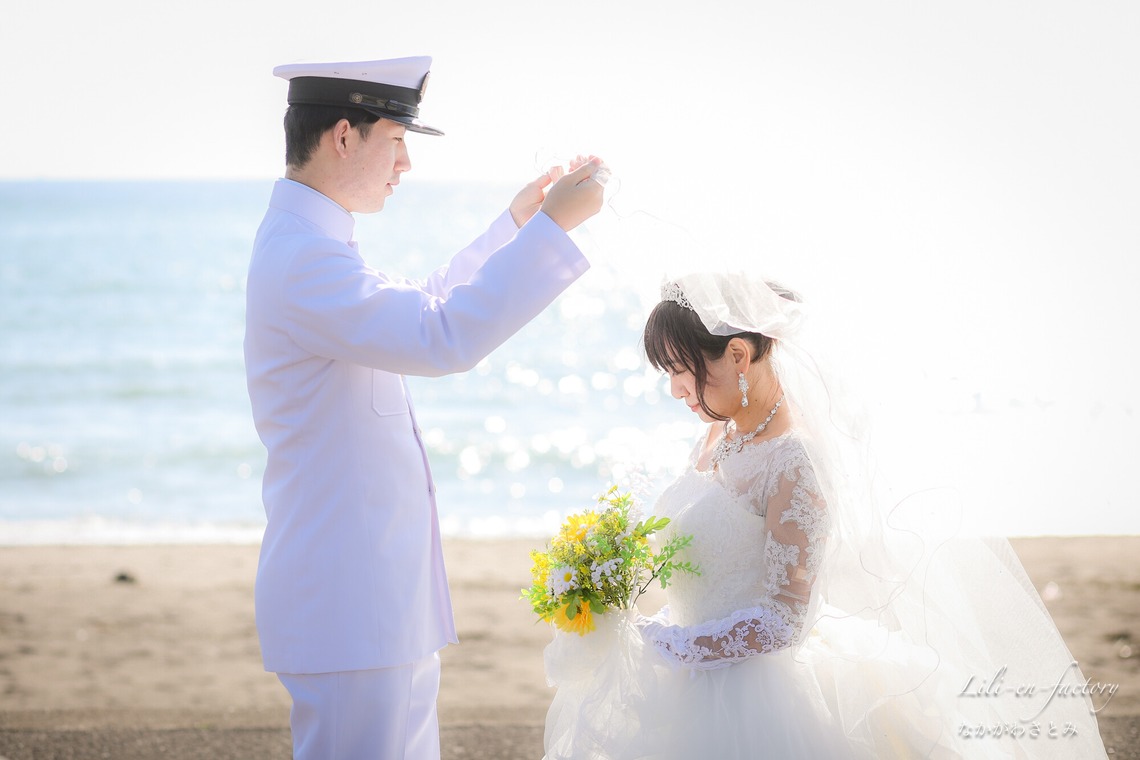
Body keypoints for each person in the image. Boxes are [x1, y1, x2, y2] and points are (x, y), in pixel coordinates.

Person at [541, 272, 1109, 758]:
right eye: (667, 372)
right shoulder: (721, 432)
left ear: (738, 354)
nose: (674, 390)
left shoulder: (794, 461)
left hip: (755, 693)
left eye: (683, 370)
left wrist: (670, 646)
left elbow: (785, 620)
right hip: (693, 672)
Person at [243, 55, 605, 759]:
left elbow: (426, 304)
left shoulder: (316, 244)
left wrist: (520, 226)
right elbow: (442, 337)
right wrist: (551, 233)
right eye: (397, 138)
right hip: (349, 603)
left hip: (373, 602)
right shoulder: (306, 259)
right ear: (343, 136)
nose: (405, 163)